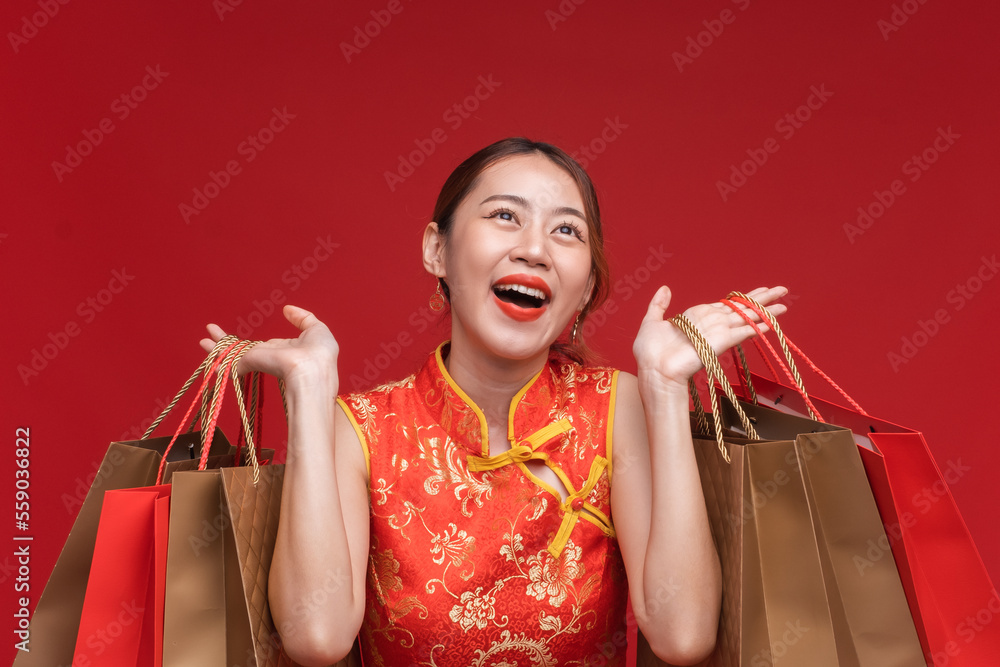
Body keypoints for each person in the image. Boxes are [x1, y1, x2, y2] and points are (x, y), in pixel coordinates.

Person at [200, 137, 788, 666]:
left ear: (584, 286)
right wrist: (308, 393)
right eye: (505, 216)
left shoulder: (616, 407)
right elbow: (316, 637)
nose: (534, 250)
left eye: (566, 231)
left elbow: (683, 636)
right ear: (437, 250)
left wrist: (664, 387)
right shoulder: (360, 428)